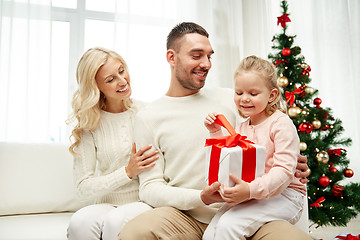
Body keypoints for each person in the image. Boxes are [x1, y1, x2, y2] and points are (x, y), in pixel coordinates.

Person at [118, 22, 311, 240]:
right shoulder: (148, 117)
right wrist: (201, 197)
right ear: (172, 57)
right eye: (196, 55)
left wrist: (295, 162)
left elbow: (268, 139)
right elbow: (150, 188)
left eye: (209, 56)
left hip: (251, 206)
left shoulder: (236, 98)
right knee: (135, 232)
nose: (206, 64)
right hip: (186, 216)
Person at [202, 55, 307, 240]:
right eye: (239, 93)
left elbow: (283, 171)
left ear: (272, 95)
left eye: (253, 93)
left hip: (286, 196)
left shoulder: (280, 124)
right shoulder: (242, 127)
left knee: (228, 226)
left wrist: (250, 191)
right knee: (210, 234)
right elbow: (227, 155)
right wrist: (216, 132)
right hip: (254, 193)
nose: (244, 99)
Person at [66, 47, 158, 240]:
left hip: (142, 201)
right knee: (79, 222)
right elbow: (83, 186)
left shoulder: (147, 113)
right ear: (96, 87)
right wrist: (127, 172)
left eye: (122, 70)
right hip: (106, 203)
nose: (123, 81)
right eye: (110, 79)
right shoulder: (88, 123)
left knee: (115, 221)